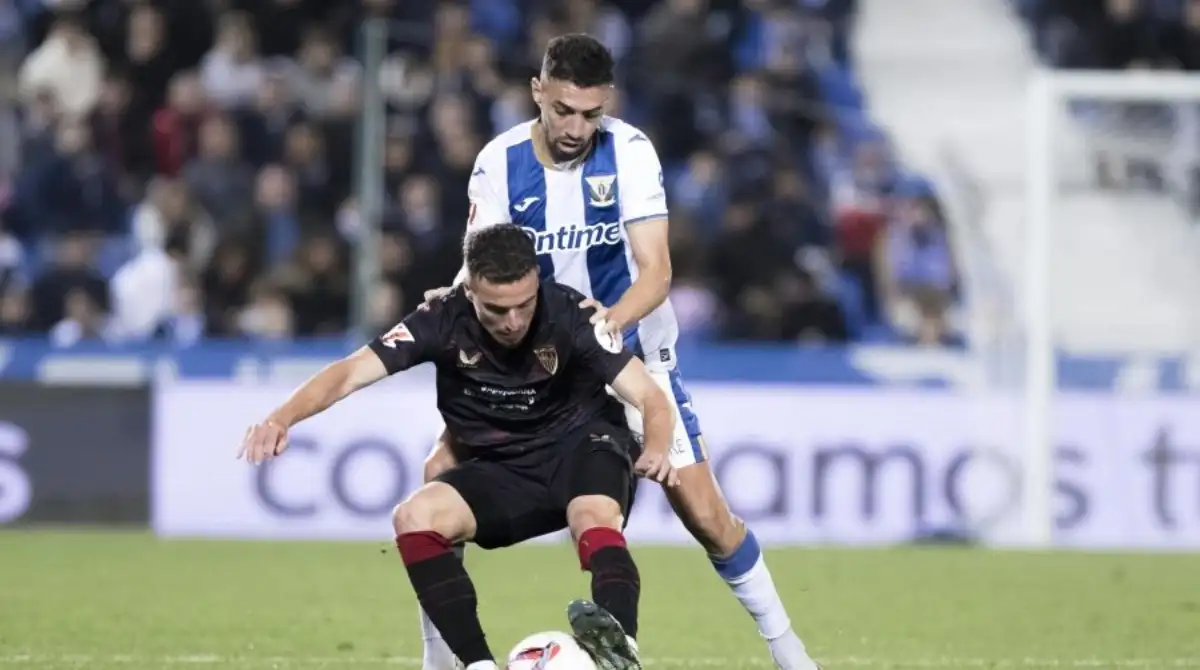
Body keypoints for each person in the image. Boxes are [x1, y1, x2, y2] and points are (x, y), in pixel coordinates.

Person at [418, 33, 820, 670]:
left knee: (708, 516)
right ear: (537, 94)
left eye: (591, 113)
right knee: (437, 477)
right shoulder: (498, 162)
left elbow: (656, 271)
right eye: (563, 111)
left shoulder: (629, 153)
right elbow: (482, 269)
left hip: (628, 355)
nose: (577, 127)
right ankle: (439, 661)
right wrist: (455, 294)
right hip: (533, 366)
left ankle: (791, 655)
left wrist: (606, 330)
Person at [240, 224, 679, 670]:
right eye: (496, 309)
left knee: (591, 514)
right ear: (469, 290)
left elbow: (650, 398)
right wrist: (282, 418)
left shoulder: (572, 314)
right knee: (414, 516)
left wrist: (658, 448)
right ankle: (477, 665)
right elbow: (349, 373)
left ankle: (622, 651)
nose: (513, 321)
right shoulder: (440, 319)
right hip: (502, 469)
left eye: (524, 305)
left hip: (583, 447)